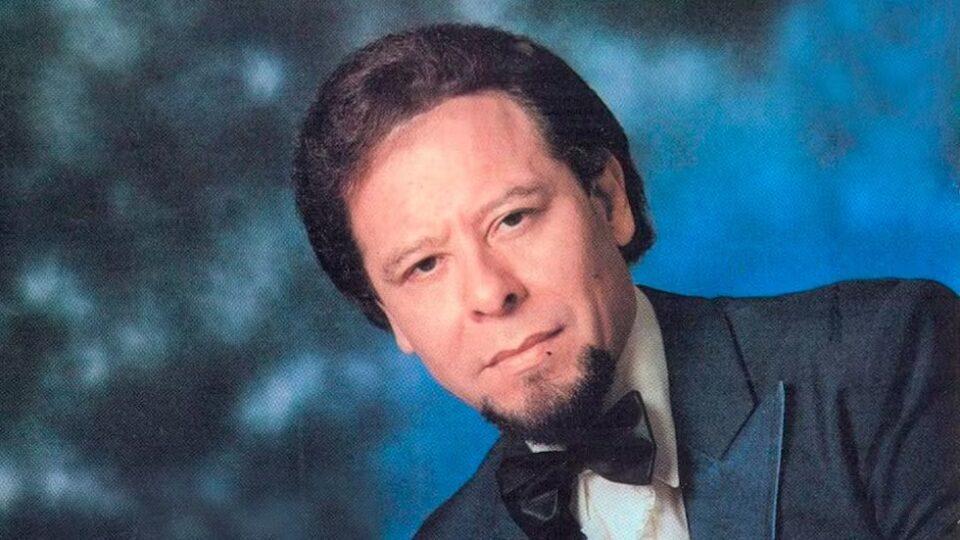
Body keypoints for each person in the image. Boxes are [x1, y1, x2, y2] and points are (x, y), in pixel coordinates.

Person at [292, 24, 960, 539]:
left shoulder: (887, 359)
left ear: (608, 201)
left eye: (513, 219)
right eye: (425, 265)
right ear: (392, 317)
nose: (490, 293)